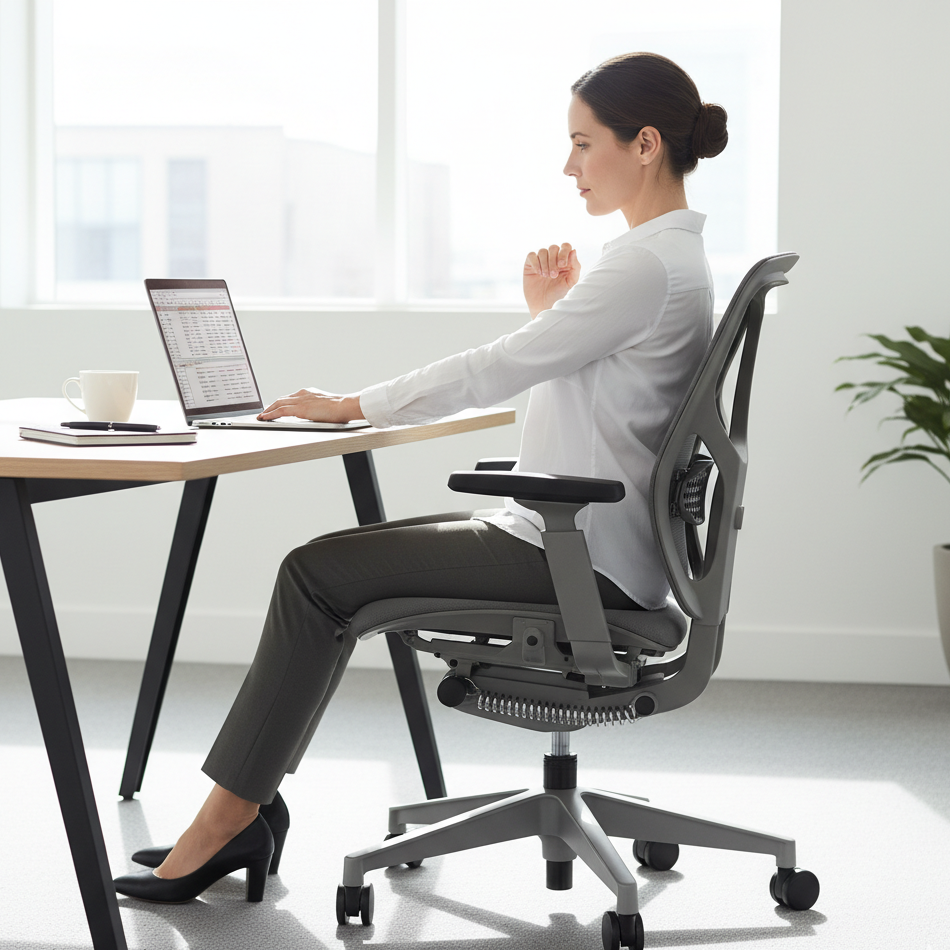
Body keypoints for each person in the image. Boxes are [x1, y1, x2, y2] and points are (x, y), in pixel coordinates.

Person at [114, 51, 728, 903]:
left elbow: (498, 367)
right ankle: (237, 813)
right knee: (328, 572)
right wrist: (553, 320)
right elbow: (587, 390)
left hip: (574, 557)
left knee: (315, 576)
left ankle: (227, 822)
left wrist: (350, 404)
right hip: (596, 548)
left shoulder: (643, 266)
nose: (569, 166)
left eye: (584, 144)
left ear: (647, 143)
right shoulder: (671, 262)